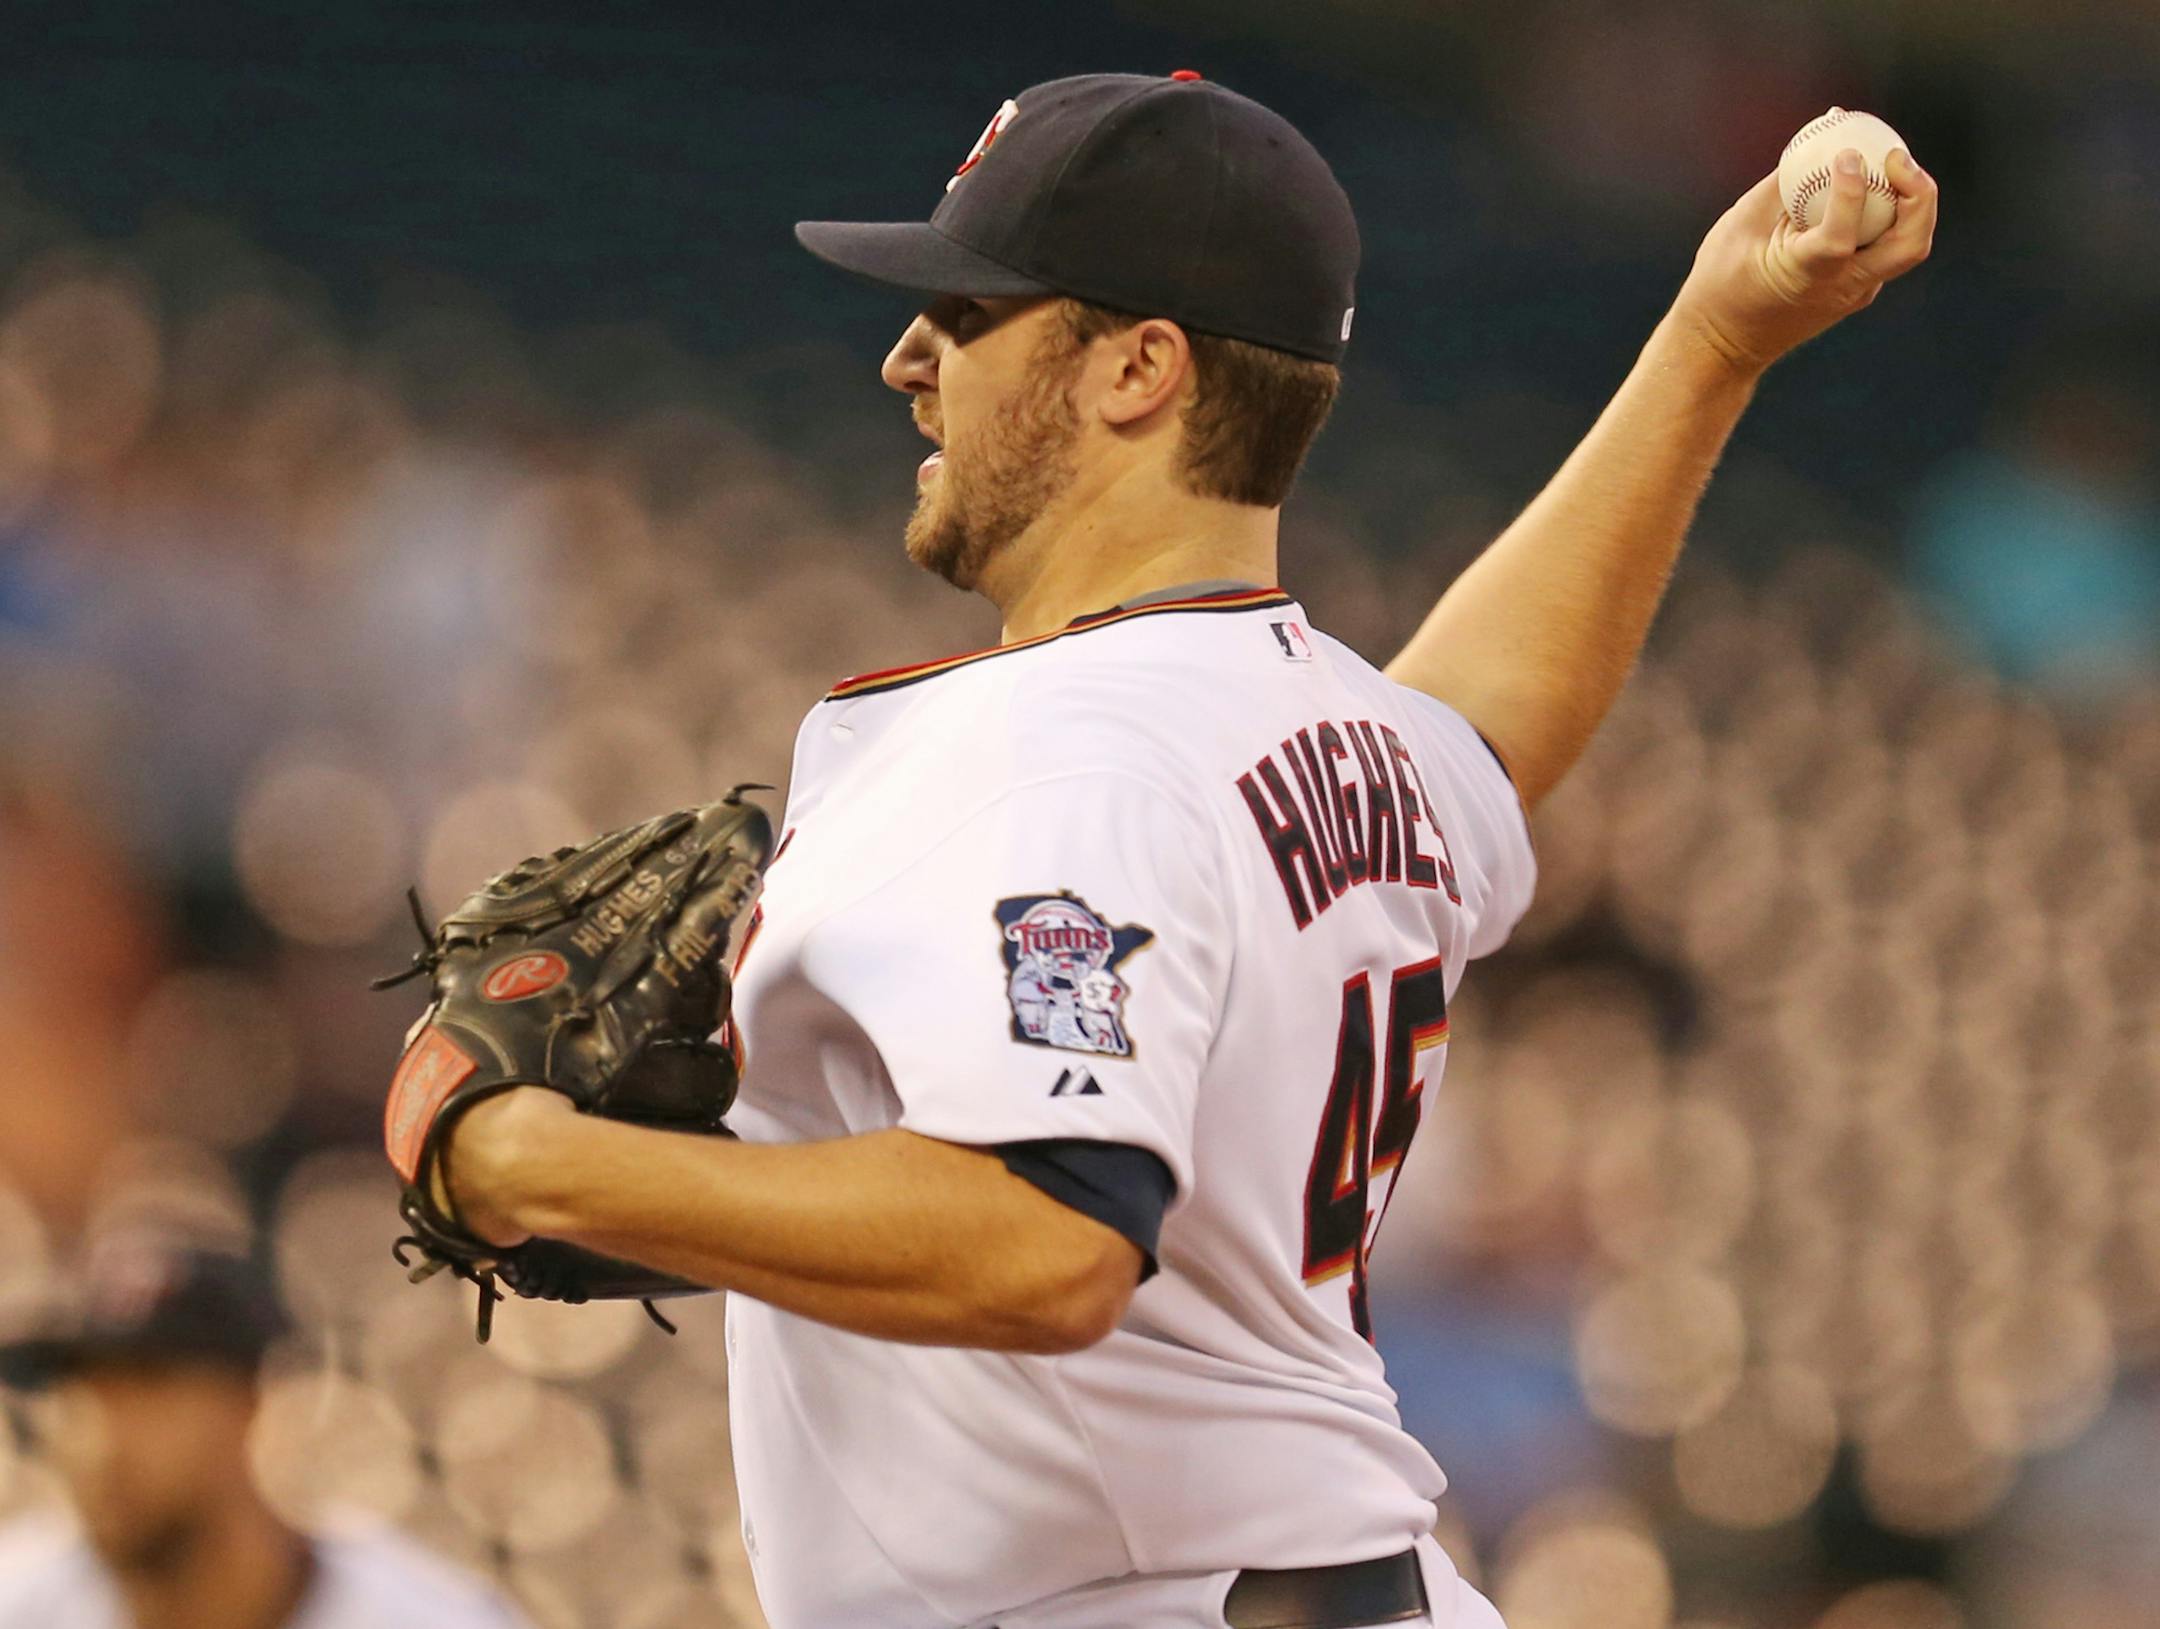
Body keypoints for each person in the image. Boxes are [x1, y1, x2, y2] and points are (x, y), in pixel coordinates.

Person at [426, 71, 1936, 1629]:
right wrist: (1710, 345)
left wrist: (531, 1164)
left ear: (1138, 367)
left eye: (965, 314)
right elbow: (1494, 723)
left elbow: (1049, 1245)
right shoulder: (1330, 729)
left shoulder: (1063, 755)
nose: (906, 361)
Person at [0, 1226, 532, 1629]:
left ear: (249, 1401)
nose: (100, 1435)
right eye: (77, 1391)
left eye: (147, 1387)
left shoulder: (428, 1618)